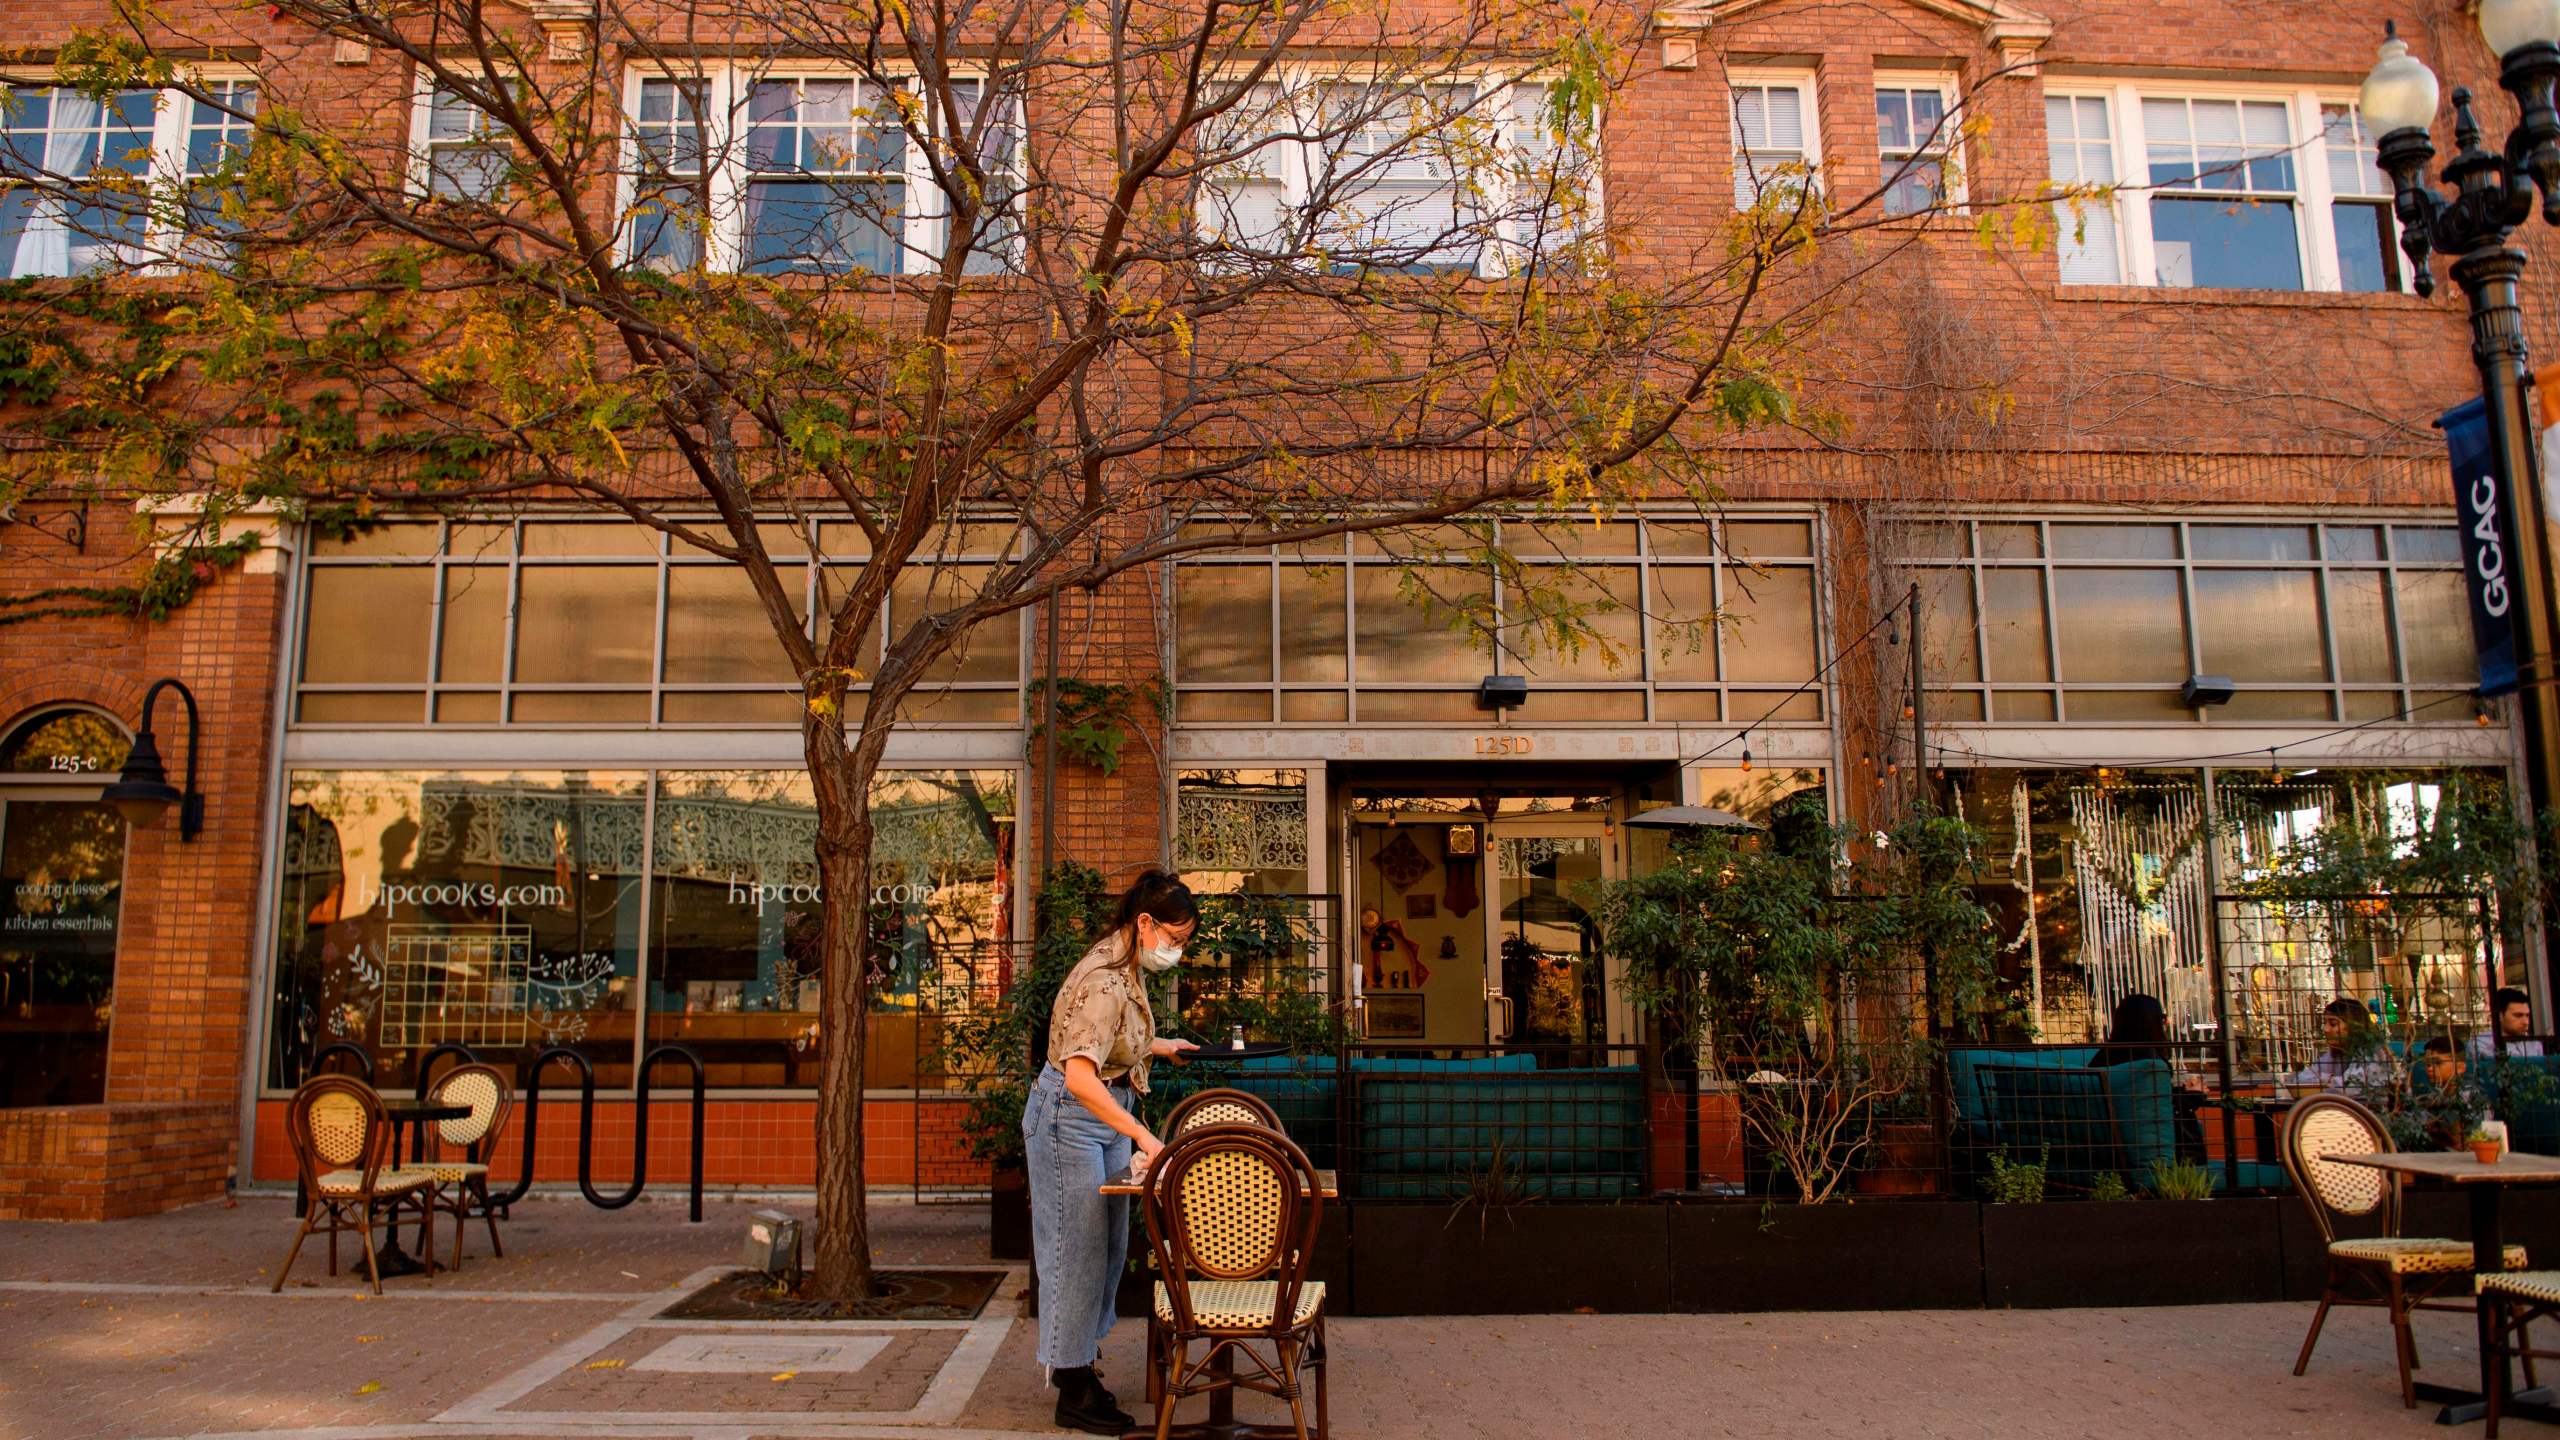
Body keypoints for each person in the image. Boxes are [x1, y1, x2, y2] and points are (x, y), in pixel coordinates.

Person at [1022, 870, 1200, 1435]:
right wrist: (1145, 1137)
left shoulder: (1122, 963)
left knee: (1106, 1247)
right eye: (1175, 937)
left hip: (1097, 1118)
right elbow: (1079, 1075)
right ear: (1144, 923)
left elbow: (1108, 1039)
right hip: (1070, 1122)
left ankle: (1079, 1364)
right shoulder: (1103, 978)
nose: (1178, 949)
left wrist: (1160, 1045)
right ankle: (1072, 1389)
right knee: (1075, 1252)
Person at [2094, 992, 2205, 1093]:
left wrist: (2184, 1090)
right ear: (2152, 1023)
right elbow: (2157, 1101)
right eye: (2161, 1019)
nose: (2165, 1023)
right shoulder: (2150, 1062)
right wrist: (2194, 1094)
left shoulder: (2103, 1056)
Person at [2294, 997, 2389, 1091]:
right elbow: (2300, 1080)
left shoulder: (2371, 1051)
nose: (2326, 1029)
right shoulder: (2335, 1053)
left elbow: (2352, 1087)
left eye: (2333, 1024)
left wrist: (2326, 1079)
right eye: (2325, 1023)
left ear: (2354, 1026)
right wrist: (2329, 1080)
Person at [2469, 986, 2546, 1059]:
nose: (2526, 1022)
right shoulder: (2480, 1044)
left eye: (2527, 1015)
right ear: (2500, 1016)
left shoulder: (2534, 1044)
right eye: (2518, 1015)